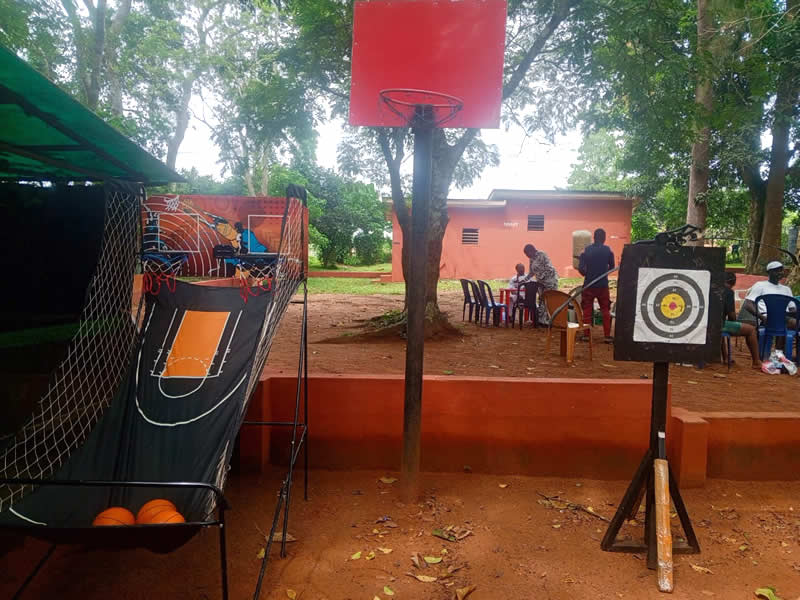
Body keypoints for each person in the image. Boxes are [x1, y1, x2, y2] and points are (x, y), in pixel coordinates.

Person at [578, 228, 615, 343]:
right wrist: (603, 273)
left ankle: (586, 335)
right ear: (604, 238)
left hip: (589, 285)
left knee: (587, 309)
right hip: (603, 285)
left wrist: (588, 274)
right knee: (605, 309)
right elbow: (612, 267)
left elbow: (581, 269)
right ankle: (607, 336)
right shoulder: (608, 250)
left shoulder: (586, 250)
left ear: (594, 238)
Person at [722, 272, 761, 369]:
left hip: (709, 323)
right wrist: (734, 321)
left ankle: (725, 357)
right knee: (751, 330)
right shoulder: (728, 292)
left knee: (721, 331)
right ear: (733, 282)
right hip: (720, 324)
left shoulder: (713, 289)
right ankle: (756, 362)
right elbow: (731, 314)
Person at [523, 244, 558, 324]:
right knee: (542, 300)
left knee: (549, 300)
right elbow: (531, 272)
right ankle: (542, 320)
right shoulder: (531, 259)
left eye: (527, 253)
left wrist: (542, 278)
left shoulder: (542, 254)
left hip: (550, 281)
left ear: (531, 250)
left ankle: (550, 320)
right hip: (540, 283)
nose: (527, 256)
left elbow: (549, 268)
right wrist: (525, 280)